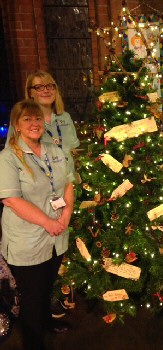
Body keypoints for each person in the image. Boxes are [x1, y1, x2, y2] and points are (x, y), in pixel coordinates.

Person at [0, 99, 75, 350]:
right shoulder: (8, 157)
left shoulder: (54, 149)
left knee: (47, 287)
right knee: (32, 298)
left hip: (57, 235)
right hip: (28, 239)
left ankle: (46, 322)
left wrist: (65, 216)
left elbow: (68, 183)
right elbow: (11, 199)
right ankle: (34, 342)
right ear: (17, 126)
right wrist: (48, 222)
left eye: (37, 118)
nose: (34, 123)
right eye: (27, 119)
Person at [6, 70, 80, 177]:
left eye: (50, 86)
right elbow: (11, 154)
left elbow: (74, 148)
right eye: (39, 87)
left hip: (69, 180)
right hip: (42, 184)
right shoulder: (22, 120)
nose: (46, 91)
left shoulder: (65, 117)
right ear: (31, 93)